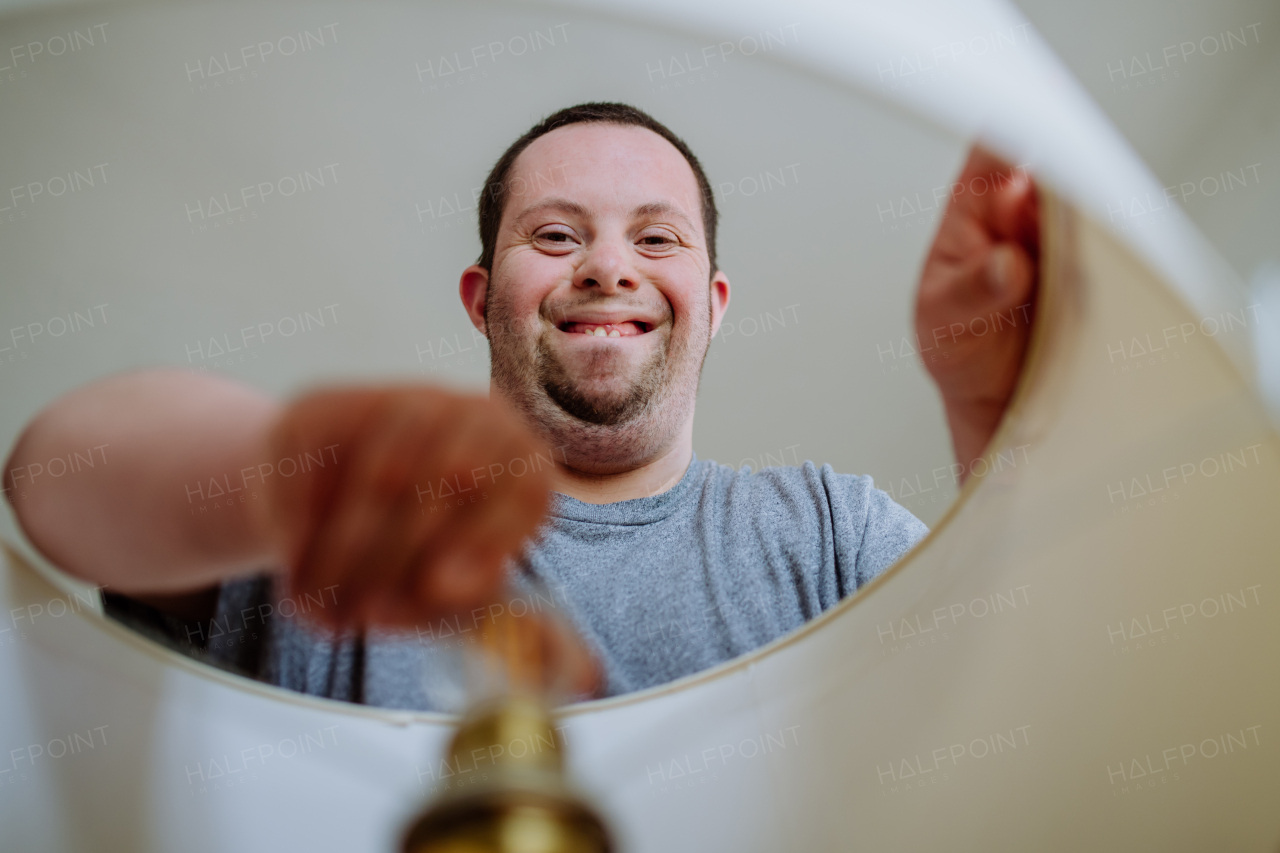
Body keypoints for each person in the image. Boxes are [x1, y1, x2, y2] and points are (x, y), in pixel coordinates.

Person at [2, 102, 1038, 709]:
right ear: (480, 298)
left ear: (712, 306)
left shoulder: (829, 533)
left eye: (657, 237)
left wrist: (1003, 426)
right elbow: (54, 476)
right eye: (554, 235)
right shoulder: (328, 526)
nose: (605, 268)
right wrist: (287, 467)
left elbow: (1043, 698)